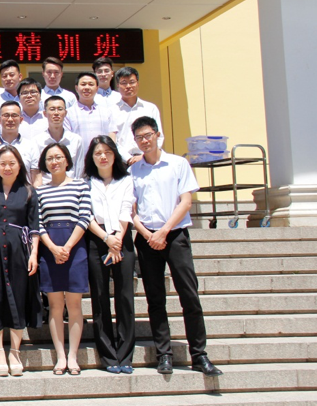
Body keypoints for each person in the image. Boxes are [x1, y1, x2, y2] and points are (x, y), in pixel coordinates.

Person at [130, 116, 222, 377]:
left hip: (175, 235)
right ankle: (164, 354)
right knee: (155, 298)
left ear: (157, 134)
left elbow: (186, 201)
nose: (145, 141)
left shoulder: (178, 164)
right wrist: (147, 234)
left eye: (148, 135)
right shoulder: (134, 171)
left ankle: (199, 355)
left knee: (189, 295)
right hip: (147, 238)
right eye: (139, 138)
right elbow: (131, 210)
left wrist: (164, 231)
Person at [0, 145, 40, 377]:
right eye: (2, 163)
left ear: (19, 165)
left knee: (18, 296)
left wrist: (34, 254)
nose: (7, 167)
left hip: (18, 249)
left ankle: (14, 351)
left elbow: (34, 227)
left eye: (12, 163)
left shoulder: (29, 191)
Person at [36, 143, 91, 376]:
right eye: (50, 158)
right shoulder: (40, 191)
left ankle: (73, 356)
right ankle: (60, 356)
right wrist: (52, 248)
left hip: (74, 247)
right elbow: (38, 222)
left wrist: (67, 247)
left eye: (58, 157)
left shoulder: (80, 185)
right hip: (50, 249)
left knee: (75, 305)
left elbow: (84, 217)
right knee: (55, 305)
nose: (54, 162)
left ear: (67, 160)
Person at [84, 135, 137, 374]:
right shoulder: (86, 183)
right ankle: (108, 355)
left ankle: (125, 355)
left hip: (122, 238)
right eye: (98, 153)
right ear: (91, 157)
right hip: (97, 239)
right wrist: (107, 239)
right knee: (100, 297)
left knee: (125, 297)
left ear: (115, 155)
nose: (103, 156)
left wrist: (116, 241)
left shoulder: (126, 180)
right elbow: (86, 215)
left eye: (107, 152)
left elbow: (126, 210)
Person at [114, 67, 165, 165]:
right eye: (124, 83)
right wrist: (128, 159)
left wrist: (145, 156)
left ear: (138, 83)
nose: (128, 86)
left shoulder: (150, 108)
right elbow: (113, 140)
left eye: (132, 82)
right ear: (118, 85)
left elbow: (159, 136)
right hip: (121, 162)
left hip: (149, 160)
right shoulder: (112, 110)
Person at [29, 96, 84, 185]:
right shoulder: (37, 141)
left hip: (71, 187)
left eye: (60, 109)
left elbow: (79, 170)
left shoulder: (76, 140)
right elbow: (36, 171)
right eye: (52, 109)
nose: (56, 113)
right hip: (47, 188)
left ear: (65, 113)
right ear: (45, 113)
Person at [66, 72, 118, 152]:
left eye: (91, 84)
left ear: (97, 88)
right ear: (76, 88)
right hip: (78, 158)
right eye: (83, 84)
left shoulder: (106, 112)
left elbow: (112, 135)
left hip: (102, 157)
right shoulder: (68, 113)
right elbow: (67, 139)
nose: (87, 87)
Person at [0, 101, 34, 168]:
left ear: (21, 120)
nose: (10, 119)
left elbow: (35, 173)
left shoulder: (31, 147)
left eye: (14, 115)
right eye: (6, 115)